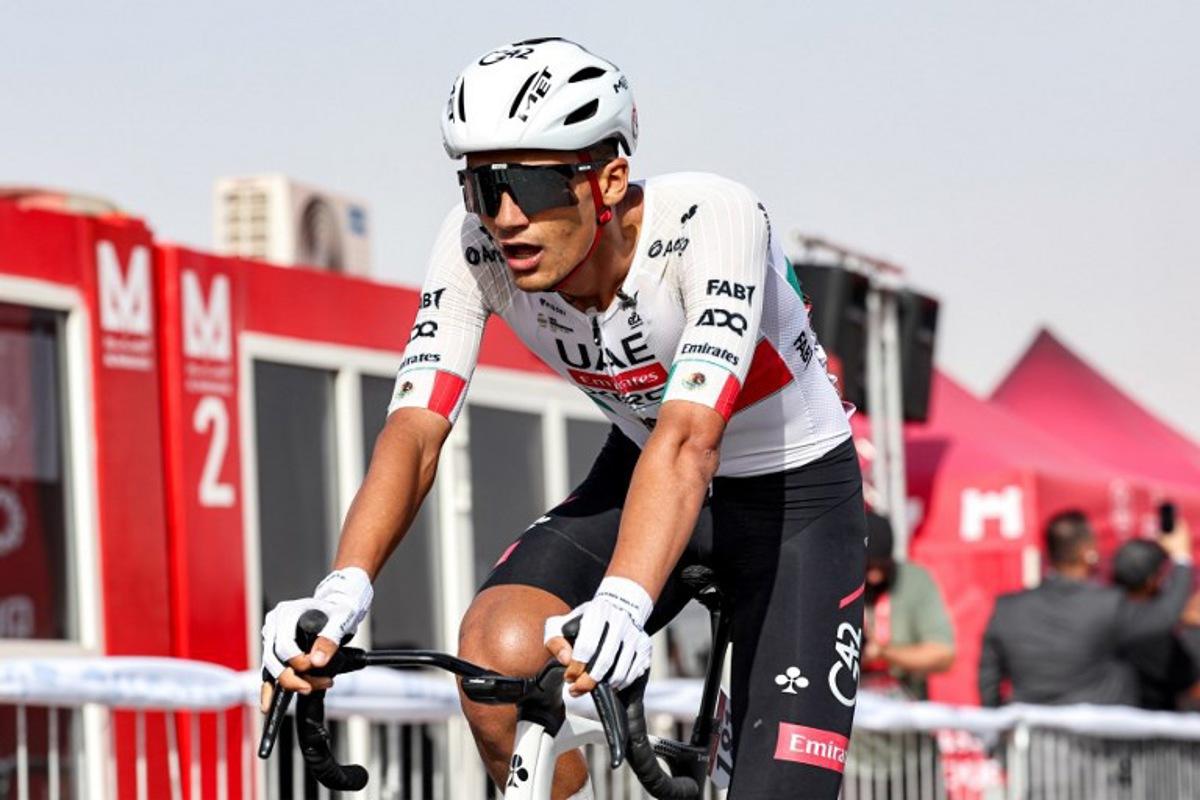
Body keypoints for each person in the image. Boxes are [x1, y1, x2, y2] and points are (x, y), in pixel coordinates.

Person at [260, 38, 867, 800]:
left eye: (535, 185)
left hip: (793, 498)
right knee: (497, 657)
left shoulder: (714, 218)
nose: (506, 215)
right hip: (642, 469)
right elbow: (415, 429)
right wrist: (343, 588)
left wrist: (622, 601)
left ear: (609, 179)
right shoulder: (475, 246)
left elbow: (690, 440)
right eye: (483, 185)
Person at [978, 510, 1193, 707]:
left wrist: (1001, 729)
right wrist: (1182, 557)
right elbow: (1164, 615)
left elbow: (988, 680)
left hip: (1033, 742)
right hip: (1097, 743)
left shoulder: (1008, 609)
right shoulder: (1107, 605)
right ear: (1087, 550)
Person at [859, 511, 955, 700]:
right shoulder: (836, 584)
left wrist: (883, 653)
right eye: (867, 567)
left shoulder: (914, 580)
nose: (874, 577)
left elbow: (943, 654)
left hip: (903, 699)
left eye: (882, 567)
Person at [1111, 536, 1200, 709]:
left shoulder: (1102, 612)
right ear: (1151, 581)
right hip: (1150, 722)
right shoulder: (1152, 634)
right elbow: (1189, 681)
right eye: (1161, 575)